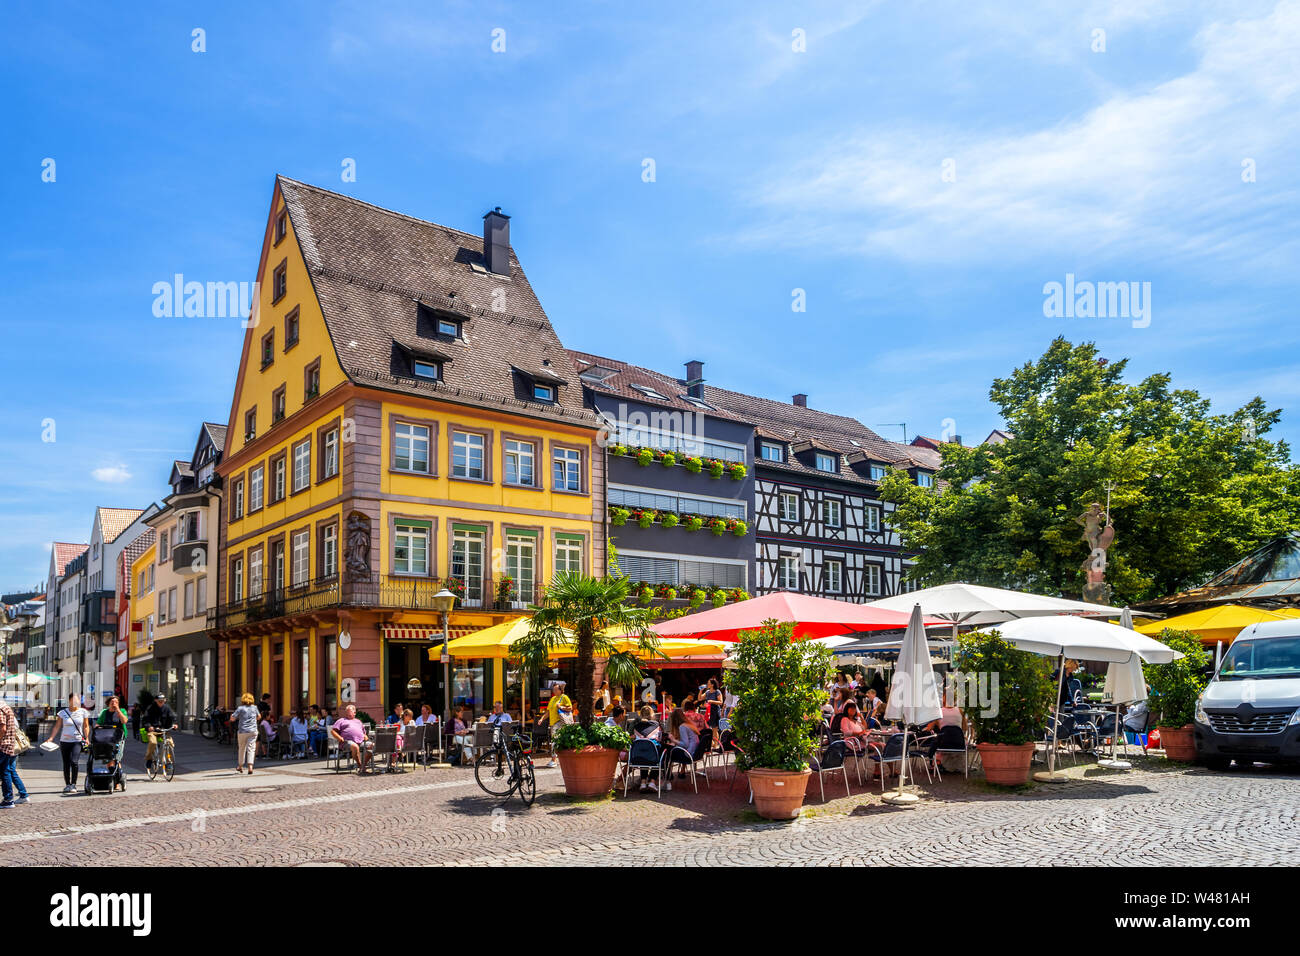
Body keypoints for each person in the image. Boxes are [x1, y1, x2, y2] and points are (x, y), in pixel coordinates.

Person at [45, 693, 91, 793]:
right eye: (73, 700)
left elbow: (86, 726)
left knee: (74, 762)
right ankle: (67, 785)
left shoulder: (83, 712)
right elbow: (57, 726)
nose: (75, 702)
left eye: (77, 700)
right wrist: (51, 738)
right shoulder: (62, 712)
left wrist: (87, 738)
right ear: (69, 701)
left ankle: (73, 784)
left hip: (77, 741)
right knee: (66, 763)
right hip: (64, 741)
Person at [0, 700, 30, 808]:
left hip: (3, 745)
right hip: (9, 745)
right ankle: (19, 795)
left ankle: (9, 799)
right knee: (8, 771)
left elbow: (2, 728)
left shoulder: (1, 708)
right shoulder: (6, 707)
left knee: (6, 772)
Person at [330, 704, 372, 773]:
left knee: (372, 745)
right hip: (346, 742)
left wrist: (365, 735)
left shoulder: (358, 721)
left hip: (360, 742)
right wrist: (339, 737)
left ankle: (363, 765)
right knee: (355, 746)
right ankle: (360, 765)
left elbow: (364, 733)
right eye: (347, 712)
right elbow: (333, 731)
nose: (347, 714)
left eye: (349, 712)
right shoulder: (341, 720)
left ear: (354, 713)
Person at [96, 696, 128, 787]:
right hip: (106, 738)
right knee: (109, 759)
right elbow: (98, 723)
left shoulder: (122, 711)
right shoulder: (105, 712)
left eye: (116, 702)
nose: (114, 704)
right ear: (108, 703)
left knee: (116, 758)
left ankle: (118, 779)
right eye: (112, 702)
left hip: (119, 738)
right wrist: (97, 727)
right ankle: (112, 778)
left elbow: (124, 721)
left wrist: (118, 710)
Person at [631, 705, 662, 794]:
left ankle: (643, 783)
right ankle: (652, 781)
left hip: (637, 757)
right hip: (652, 757)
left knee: (643, 752)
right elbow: (659, 738)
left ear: (641, 715)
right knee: (658, 755)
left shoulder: (636, 726)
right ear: (652, 714)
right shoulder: (656, 724)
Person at [143, 694, 177, 772]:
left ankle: (169, 762)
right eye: (159, 701)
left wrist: (174, 724)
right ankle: (149, 759)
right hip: (153, 731)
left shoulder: (167, 708)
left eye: (163, 700)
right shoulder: (150, 708)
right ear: (155, 701)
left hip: (164, 730)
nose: (161, 702)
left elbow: (172, 717)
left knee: (170, 743)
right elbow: (145, 719)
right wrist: (149, 726)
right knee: (153, 742)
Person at [544, 682, 572, 768]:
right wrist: (542, 719)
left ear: (561, 690)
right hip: (552, 723)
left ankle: (554, 760)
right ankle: (562, 759)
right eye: (553, 689)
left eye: (556, 689)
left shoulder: (564, 697)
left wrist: (561, 707)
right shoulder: (552, 699)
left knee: (554, 741)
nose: (554, 691)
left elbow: (570, 708)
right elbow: (548, 711)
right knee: (557, 741)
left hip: (560, 721)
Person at [232, 693, 260, 773]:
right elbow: (259, 717)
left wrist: (233, 718)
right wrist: (253, 720)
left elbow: (233, 718)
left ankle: (240, 766)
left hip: (242, 731)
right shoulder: (255, 708)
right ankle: (250, 767)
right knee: (251, 748)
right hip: (253, 731)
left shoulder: (240, 708)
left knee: (242, 748)